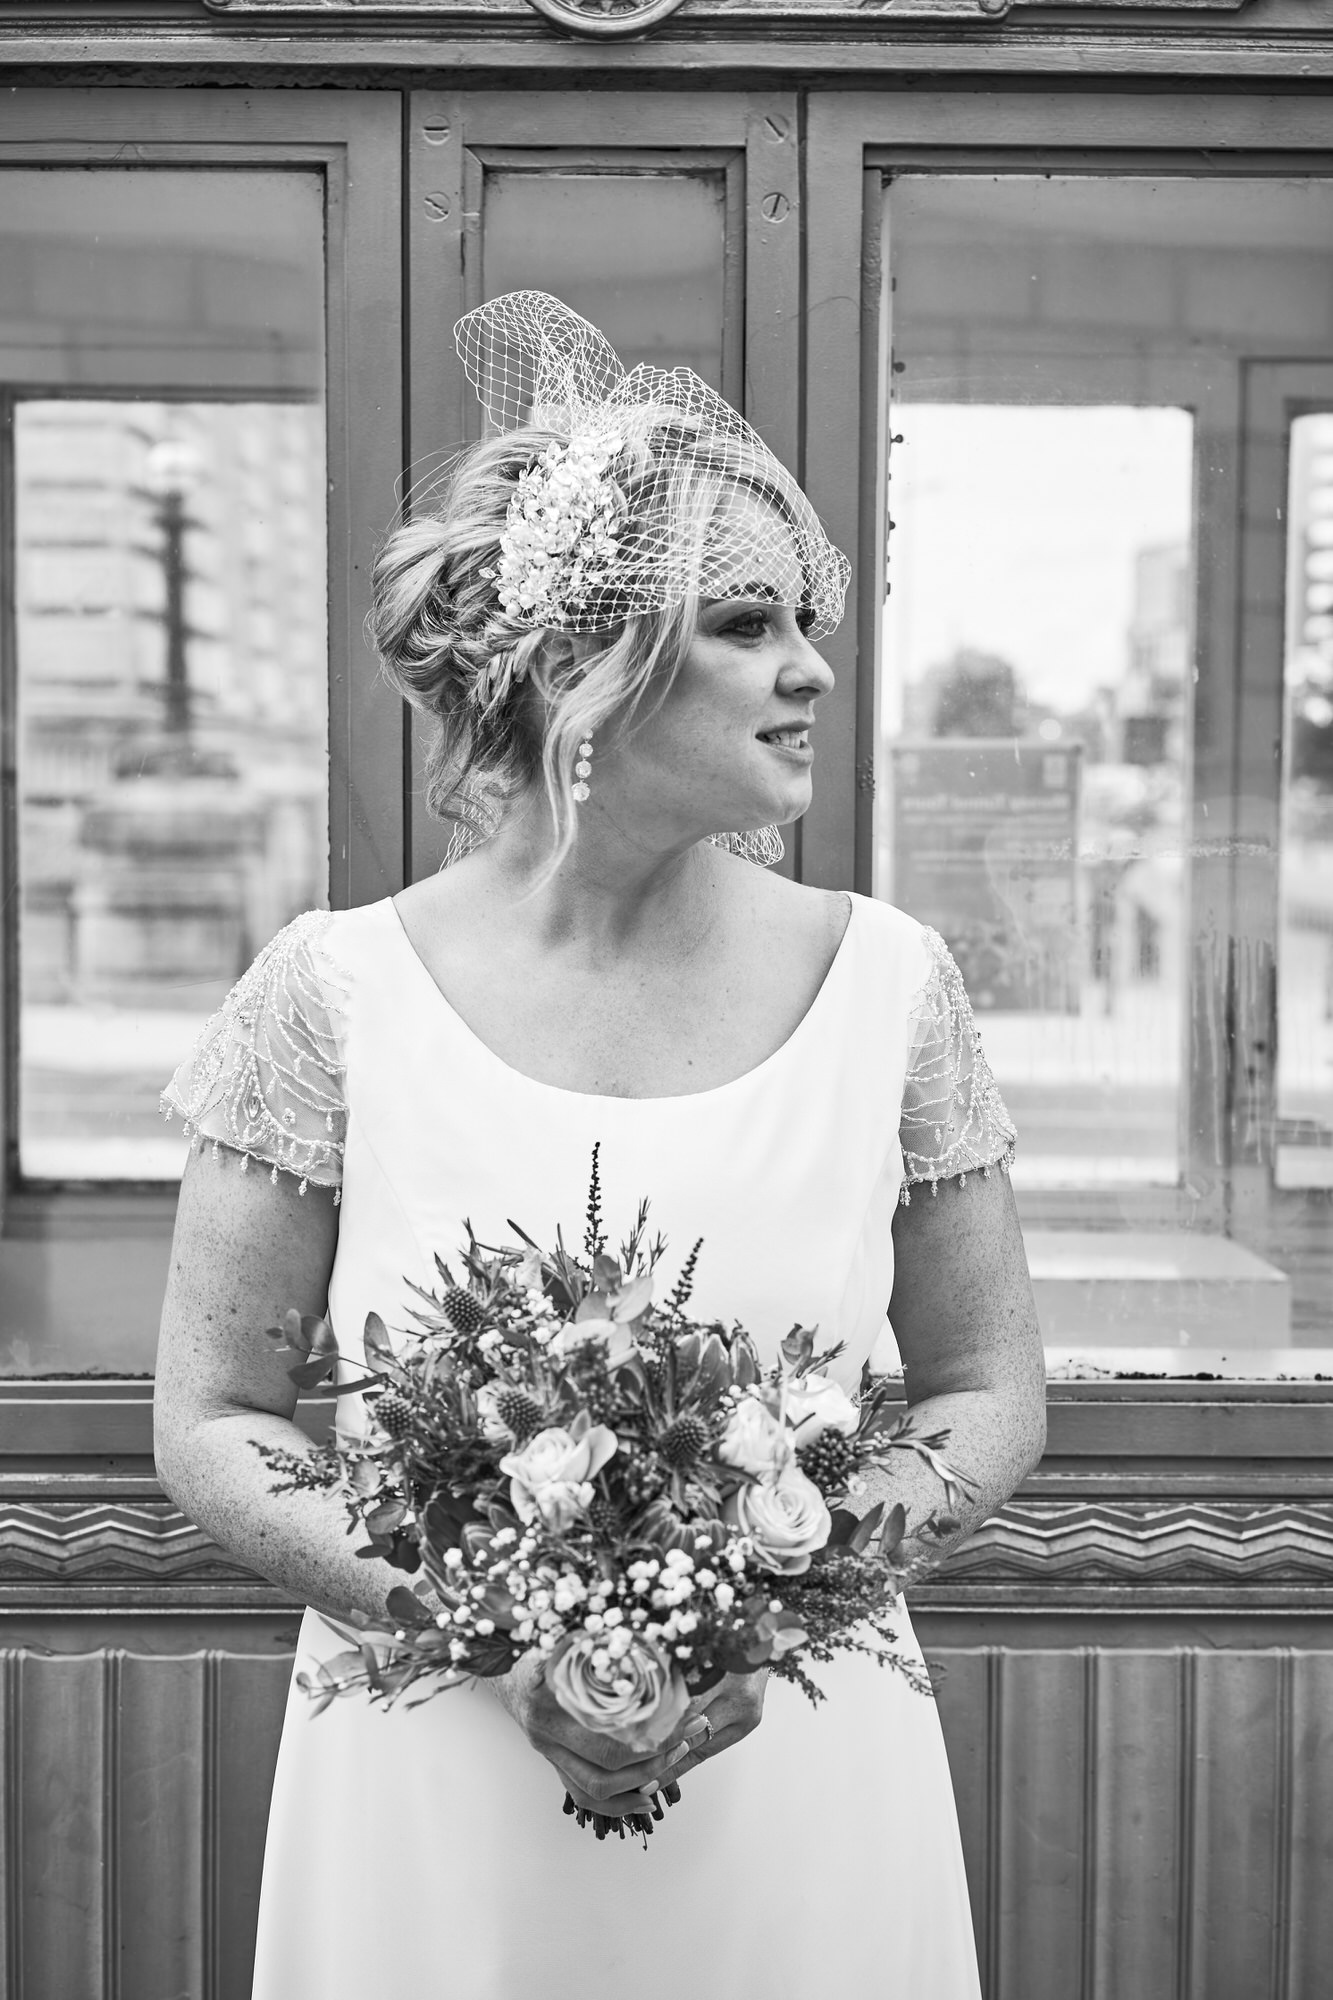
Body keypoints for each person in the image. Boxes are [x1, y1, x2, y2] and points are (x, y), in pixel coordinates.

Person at [154, 293, 1045, 2000]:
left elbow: (986, 1383)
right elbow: (213, 1415)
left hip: (798, 1758)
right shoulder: (329, 994)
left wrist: (758, 1610)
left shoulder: (890, 983)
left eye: (803, 619)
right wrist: (488, 1634)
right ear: (584, 669)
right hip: (432, 1773)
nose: (812, 669)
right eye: (745, 624)